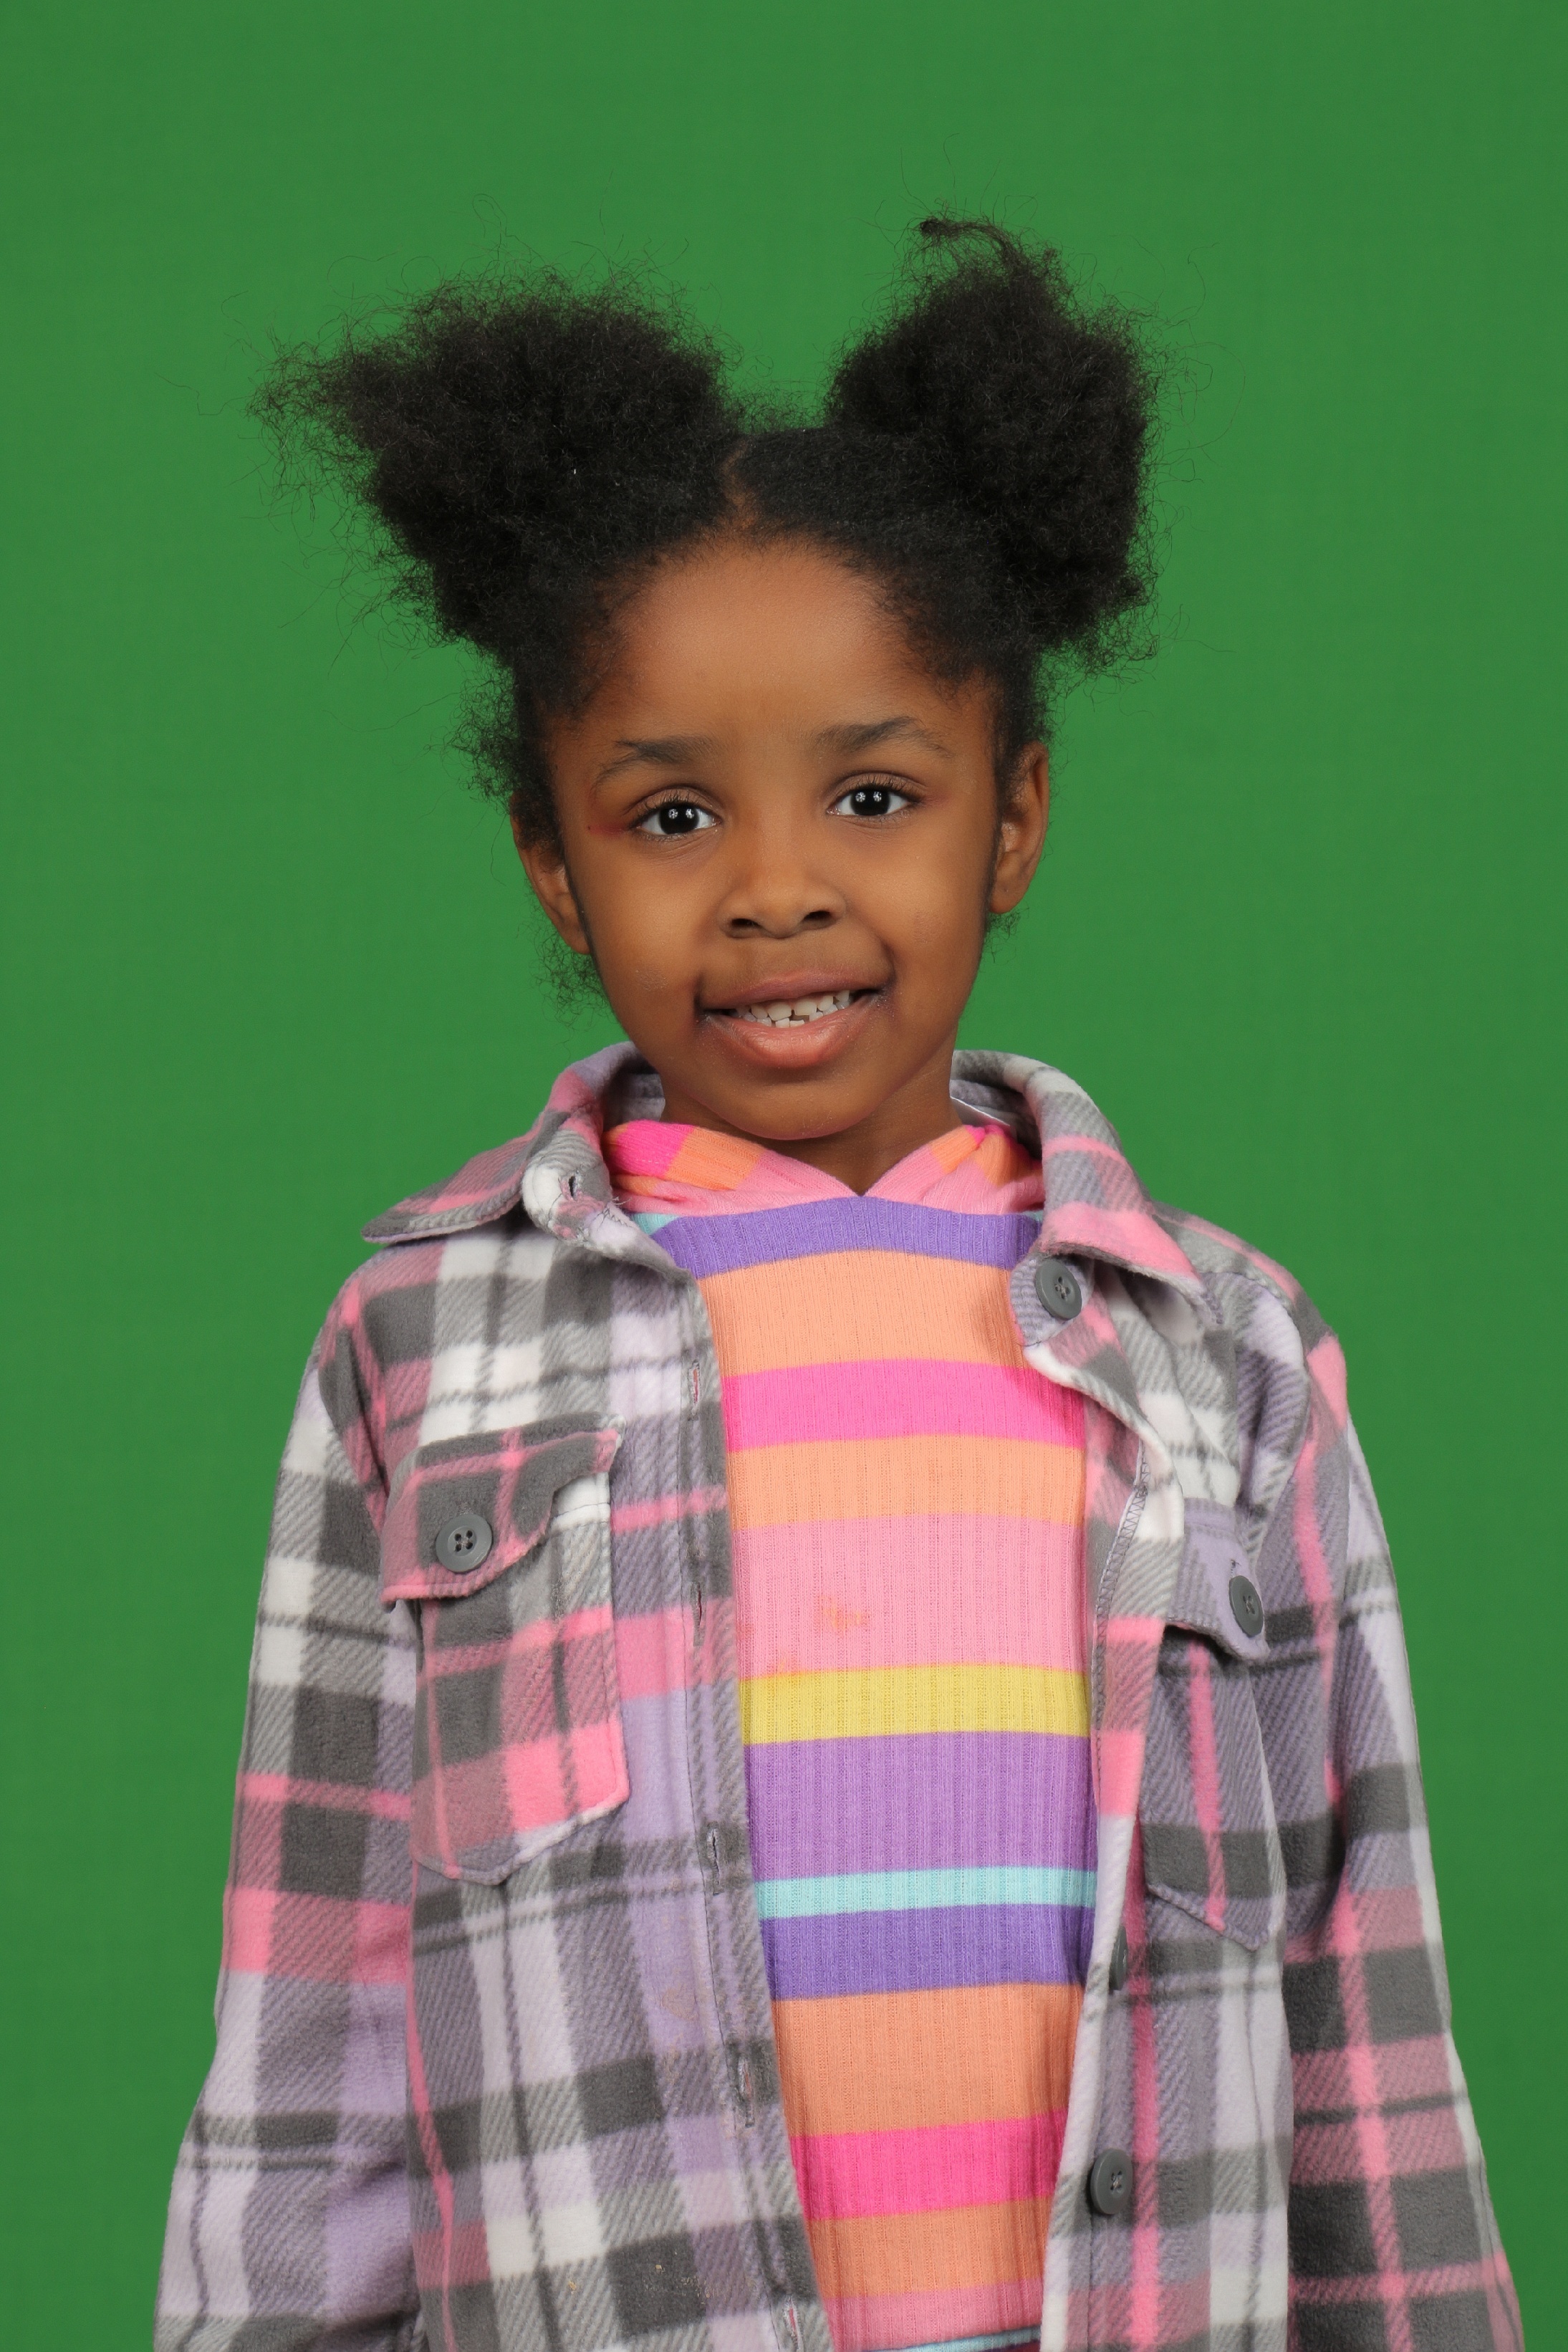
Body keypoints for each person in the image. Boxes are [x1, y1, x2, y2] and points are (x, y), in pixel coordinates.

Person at [155, 222, 1519, 2352]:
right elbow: (309, 2052)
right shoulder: (418, 1350)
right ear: (552, 865)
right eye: (672, 814)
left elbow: (1370, 2036)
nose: (779, 885)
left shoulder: (1232, 1356)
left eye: (873, 796)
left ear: (1013, 818)